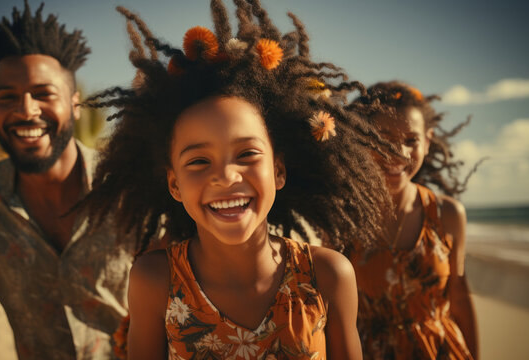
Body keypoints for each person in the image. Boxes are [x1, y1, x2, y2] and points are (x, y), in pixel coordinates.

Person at [82, 0, 393, 358]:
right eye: (198, 161)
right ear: (174, 185)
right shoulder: (156, 281)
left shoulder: (327, 275)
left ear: (278, 170)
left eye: (246, 154)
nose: (226, 176)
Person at [0, 2, 133, 359]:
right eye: (7, 97)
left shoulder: (127, 187)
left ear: (75, 105)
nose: (25, 110)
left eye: (44, 94)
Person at [347, 81, 479, 359]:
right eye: (383, 138)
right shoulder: (343, 219)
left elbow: (460, 297)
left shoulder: (448, 215)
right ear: (361, 138)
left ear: (428, 142)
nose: (398, 153)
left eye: (411, 140)